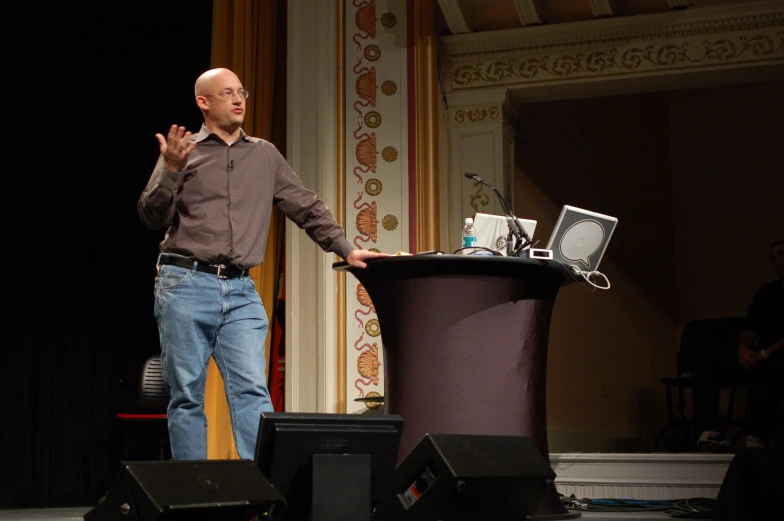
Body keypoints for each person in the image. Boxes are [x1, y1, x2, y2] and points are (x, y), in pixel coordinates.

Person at [138, 68, 388, 460]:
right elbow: (151, 217)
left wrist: (345, 248)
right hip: (185, 283)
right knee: (186, 395)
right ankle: (193, 495)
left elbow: (305, 205)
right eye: (227, 93)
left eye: (242, 92)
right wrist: (170, 170)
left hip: (239, 290)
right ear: (204, 102)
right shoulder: (183, 152)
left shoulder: (265, 154)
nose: (238, 100)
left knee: (252, 389)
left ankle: (264, 496)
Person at [695, 240, 784, 452]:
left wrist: (767, 352)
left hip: (777, 355)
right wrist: (743, 348)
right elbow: (749, 328)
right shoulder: (767, 293)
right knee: (708, 366)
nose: (777, 261)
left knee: (775, 367)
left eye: (782, 254)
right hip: (759, 354)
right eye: (773, 258)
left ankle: (757, 433)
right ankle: (710, 432)